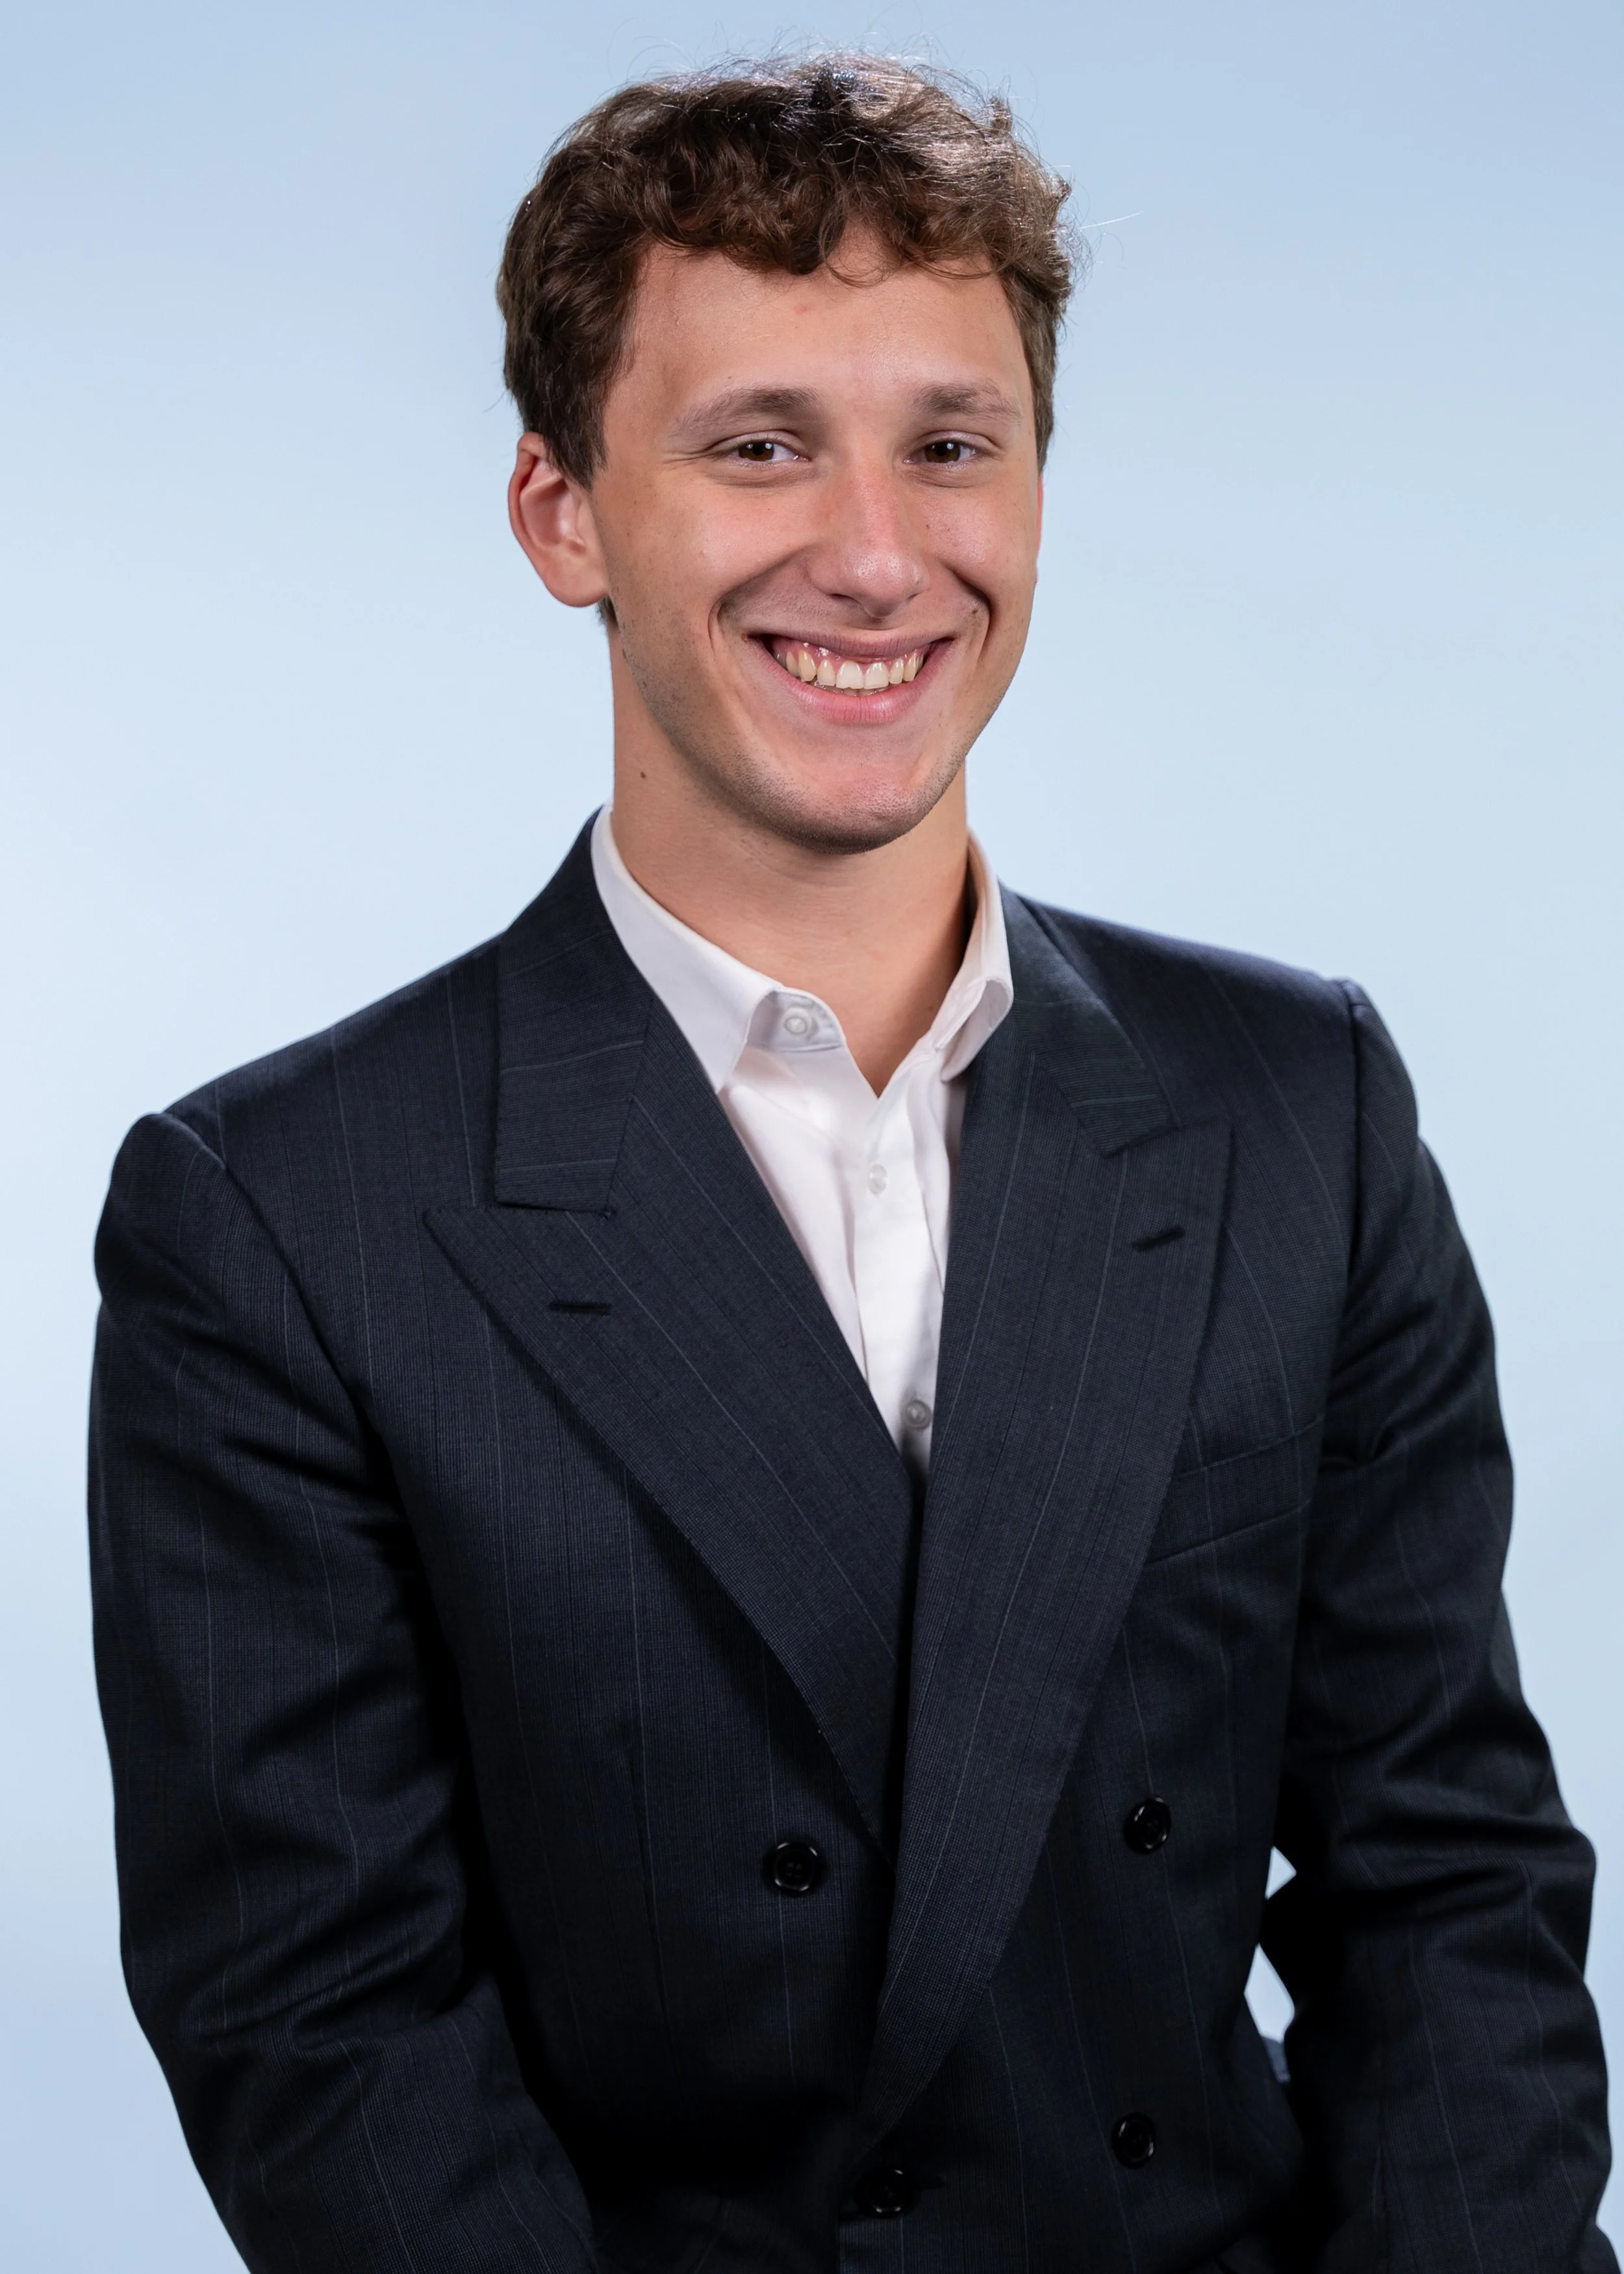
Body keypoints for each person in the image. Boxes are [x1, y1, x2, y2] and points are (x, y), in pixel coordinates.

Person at [88, 54, 1614, 2274]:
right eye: (759, 446)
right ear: (562, 511)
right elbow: (324, 2031)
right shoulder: (286, 1215)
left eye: (949, 445)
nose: (878, 553)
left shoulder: (1299, 1101)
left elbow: (1447, 1881)